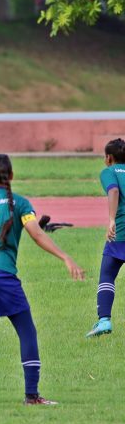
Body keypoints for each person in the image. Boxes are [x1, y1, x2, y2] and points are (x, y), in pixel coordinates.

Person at [0, 154, 84, 405]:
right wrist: (65, 257)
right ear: (11, 175)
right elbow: (37, 234)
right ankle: (32, 395)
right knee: (26, 330)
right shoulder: (20, 204)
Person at [86, 138, 125, 338]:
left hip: (121, 232)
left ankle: (104, 321)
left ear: (108, 158)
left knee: (107, 274)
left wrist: (111, 220)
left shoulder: (108, 172)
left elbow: (114, 190)